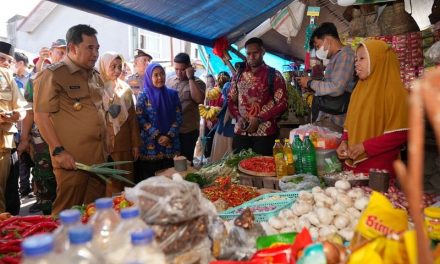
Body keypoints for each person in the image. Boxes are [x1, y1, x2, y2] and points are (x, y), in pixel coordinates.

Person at [33, 24, 107, 216]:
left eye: (97, 48)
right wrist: (58, 151)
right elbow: (41, 116)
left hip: (98, 160)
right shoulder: (53, 75)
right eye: (90, 48)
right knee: (66, 216)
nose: (95, 53)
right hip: (72, 161)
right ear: (73, 48)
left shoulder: (94, 75)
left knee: (94, 213)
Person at [336, 39, 408, 178]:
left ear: (379, 60)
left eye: (362, 58)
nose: (356, 63)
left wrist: (365, 146)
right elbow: (350, 123)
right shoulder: (358, 89)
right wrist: (344, 141)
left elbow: (400, 133)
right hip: (353, 168)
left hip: (379, 170)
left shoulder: (396, 92)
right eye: (356, 59)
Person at [228, 38, 288, 156]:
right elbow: (231, 100)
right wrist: (238, 117)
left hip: (265, 133)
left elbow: (282, 104)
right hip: (241, 132)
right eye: (248, 53)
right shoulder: (238, 75)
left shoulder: (274, 75)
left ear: (263, 52)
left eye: (255, 53)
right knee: (238, 167)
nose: (251, 56)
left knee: (263, 170)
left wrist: (260, 119)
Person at [298, 22, 356, 129]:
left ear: (327, 40)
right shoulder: (336, 57)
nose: (317, 50)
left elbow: (336, 88)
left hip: (337, 121)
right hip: (330, 119)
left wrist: (310, 83)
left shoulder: (345, 56)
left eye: (318, 46)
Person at [98, 52, 141, 195]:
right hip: (104, 145)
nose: (117, 71)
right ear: (104, 66)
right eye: (113, 66)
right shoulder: (96, 89)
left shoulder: (126, 89)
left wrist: (135, 144)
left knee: (127, 182)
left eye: (120, 67)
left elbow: (132, 119)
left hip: (125, 143)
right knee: (109, 184)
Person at [137, 63, 182, 179]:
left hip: (170, 145)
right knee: (151, 179)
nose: (160, 78)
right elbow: (140, 118)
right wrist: (157, 136)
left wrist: (168, 135)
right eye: (156, 75)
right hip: (150, 145)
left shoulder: (173, 95)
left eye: (162, 74)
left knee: (170, 178)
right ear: (149, 77)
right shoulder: (143, 96)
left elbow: (178, 117)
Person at [0, 41, 28, 213]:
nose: (6, 63)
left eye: (9, 61)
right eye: (2, 59)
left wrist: (15, 114)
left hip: (8, 144)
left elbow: (21, 109)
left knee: (11, 197)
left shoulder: (9, 78)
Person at [166, 53, 205, 164]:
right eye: (176, 69)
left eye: (182, 69)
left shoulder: (198, 82)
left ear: (189, 67)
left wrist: (190, 78)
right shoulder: (169, 81)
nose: (179, 72)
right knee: (171, 161)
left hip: (188, 130)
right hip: (171, 130)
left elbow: (198, 99)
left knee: (185, 162)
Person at [13, 52, 34, 198]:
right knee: (22, 161)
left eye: (12, 61)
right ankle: (24, 189)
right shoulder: (12, 79)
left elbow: (30, 107)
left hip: (34, 127)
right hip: (18, 126)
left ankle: (38, 192)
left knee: (37, 162)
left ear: (20, 63)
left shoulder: (33, 78)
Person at [204, 71, 230, 158]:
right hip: (210, 121)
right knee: (208, 142)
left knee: (216, 144)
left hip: (220, 124)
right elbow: (206, 107)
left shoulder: (227, 92)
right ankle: (208, 159)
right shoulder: (213, 92)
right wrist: (208, 120)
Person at [210, 73, 234, 162]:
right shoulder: (228, 87)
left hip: (226, 130)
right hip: (224, 129)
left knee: (223, 155)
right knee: (224, 155)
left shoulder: (228, 89)